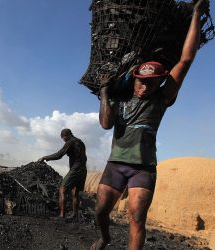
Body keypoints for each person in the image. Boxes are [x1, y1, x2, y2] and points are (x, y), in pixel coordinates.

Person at [90, 0, 208, 249]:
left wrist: (196, 14)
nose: (145, 86)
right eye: (141, 81)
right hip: (116, 163)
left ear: (159, 83)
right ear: (134, 79)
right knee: (100, 211)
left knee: (136, 218)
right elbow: (105, 124)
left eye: (151, 82)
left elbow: (185, 60)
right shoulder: (120, 97)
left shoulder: (161, 99)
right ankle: (104, 237)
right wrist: (104, 93)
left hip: (143, 168)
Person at [37, 128, 87, 220]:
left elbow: (59, 155)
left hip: (76, 169)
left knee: (62, 189)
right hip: (83, 169)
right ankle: (74, 215)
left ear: (65, 136)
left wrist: (45, 157)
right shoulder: (81, 142)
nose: (63, 140)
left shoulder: (70, 142)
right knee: (75, 192)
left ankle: (61, 215)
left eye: (63, 138)